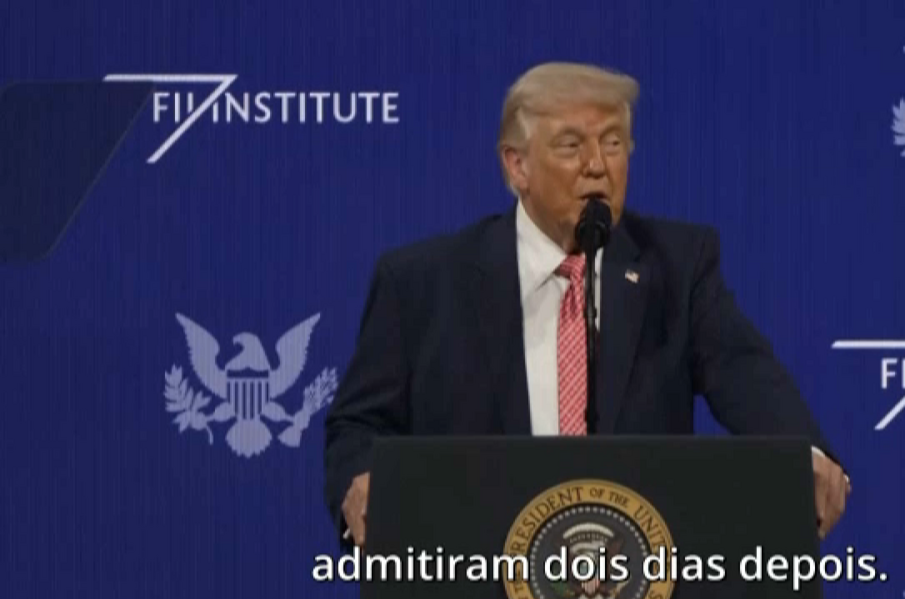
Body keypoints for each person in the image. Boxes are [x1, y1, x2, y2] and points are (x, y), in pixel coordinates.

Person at [324, 61, 849, 549]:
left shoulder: (677, 266)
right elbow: (359, 425)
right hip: (476, 572)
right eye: (571, 145)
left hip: (637, 577)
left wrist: (801, 455)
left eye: (613, 143)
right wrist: (363, 481)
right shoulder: (423, 283)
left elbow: (743, 372)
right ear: (517, 166)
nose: (597, 166)